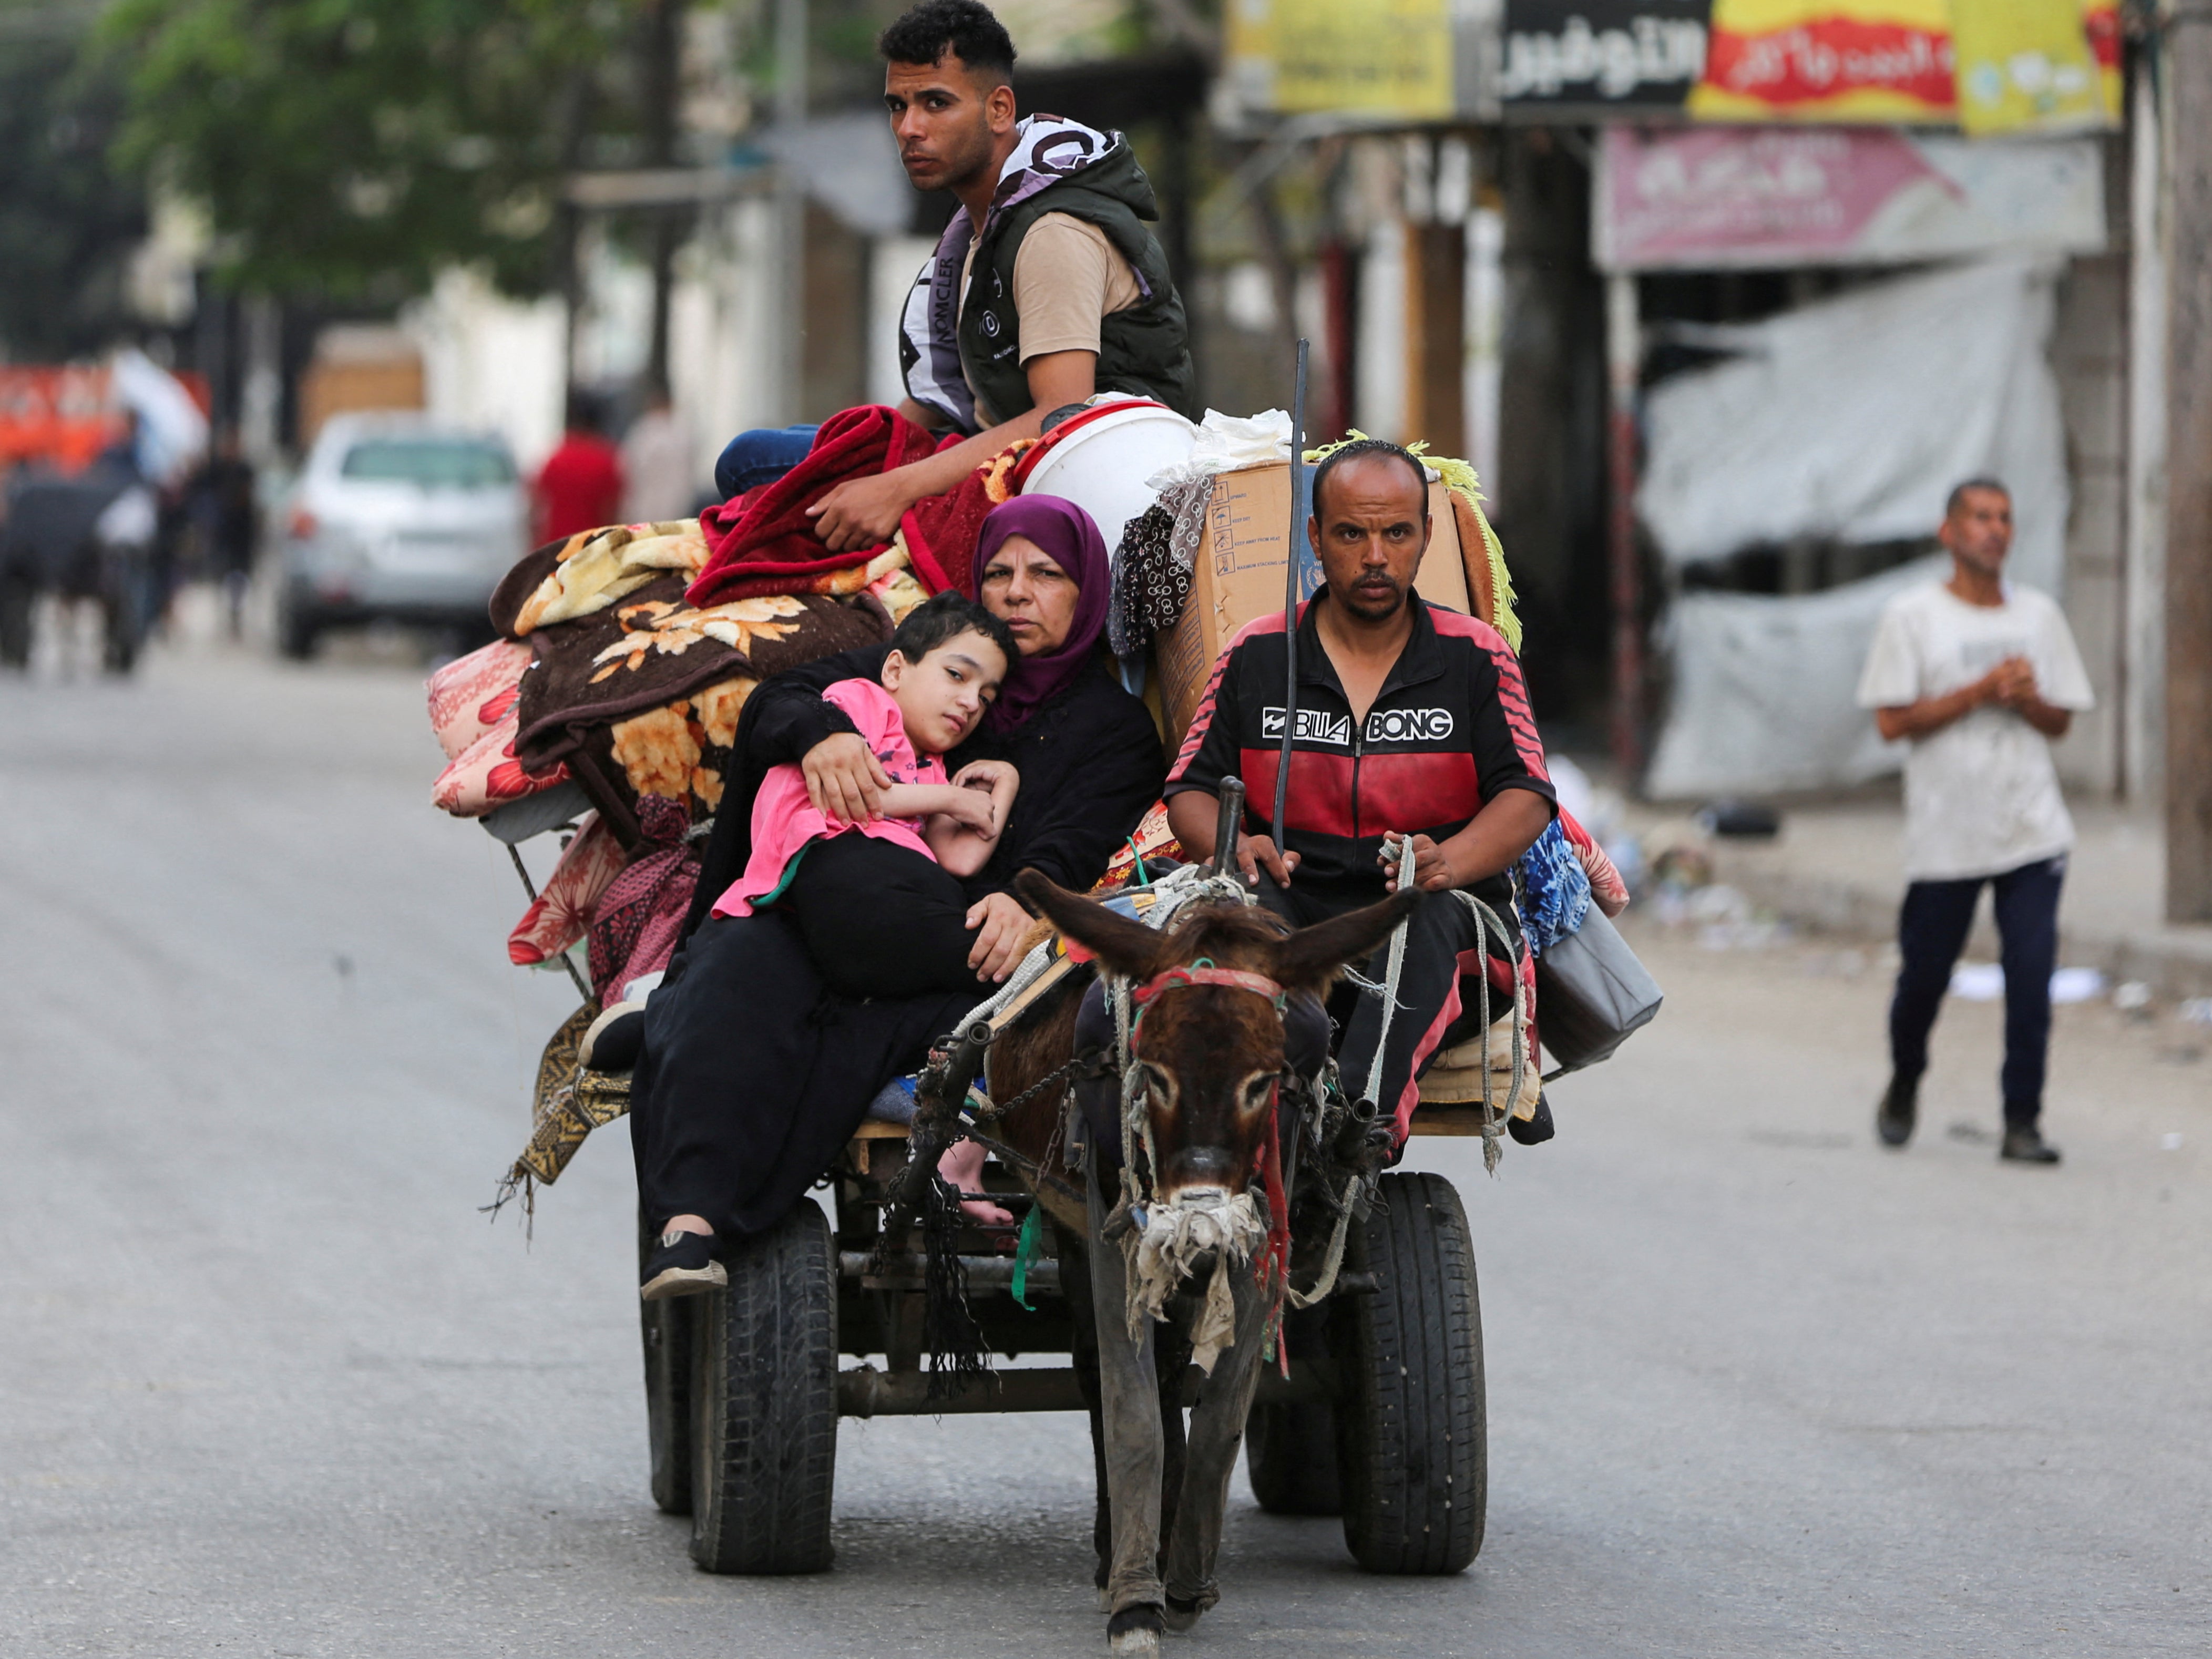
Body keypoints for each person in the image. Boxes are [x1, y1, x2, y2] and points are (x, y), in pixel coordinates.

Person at [628, 495, 1162, 1288]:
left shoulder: (1112, 728)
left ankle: (754, 1149)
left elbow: (1074, 839)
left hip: (955, 942)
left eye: (1047, 574)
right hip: (827, 903)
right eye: (999, 572)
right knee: (735, 976)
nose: (1017, 591)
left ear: (1087, 593)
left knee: (988, 1010)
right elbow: (786, 700)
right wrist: (826, 737)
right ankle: (689, 1227)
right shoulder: (937, 659)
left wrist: (1023, 897)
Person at [1150, 440, 1558, 1148]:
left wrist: (1452, 861)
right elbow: (1189, 788)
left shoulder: (1477, 657)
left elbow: (1526, 794)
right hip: (1294, 908)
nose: (1375, 555)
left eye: (1396, 533)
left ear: (1425, 537)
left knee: (1423, 917)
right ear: (1315, 538)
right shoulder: (1256, 653)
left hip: (1444, 927)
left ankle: (1360, 1123)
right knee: (1231, 915)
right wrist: (1233, 843)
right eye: (1351, 533)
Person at [710, 0, 1199, 541]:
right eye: (898, 106)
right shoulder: (981, 224)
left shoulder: (1051, 233)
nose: (909, 128)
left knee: (751, 462)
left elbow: (1061, 413)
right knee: (796, 455)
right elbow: (932, 401)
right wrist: (866, 462)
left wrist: (897, 488)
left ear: (998, 110)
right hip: (992, 452)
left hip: (1071, 485)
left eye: (935, 103)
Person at [1857, 478, 2095, 1165]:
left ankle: (2023, 1120)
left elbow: (2061, 722)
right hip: (1946, 835)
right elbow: (1891, 721)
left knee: (2030, 976)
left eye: (2005, 518)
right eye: (1981, 517)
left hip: (2031, 829)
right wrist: (1976, 693)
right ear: (1950, 533)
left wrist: (2026, 699)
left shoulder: (2040, 617)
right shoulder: (1914, 616)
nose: (1995, 529)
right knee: (1924, 981)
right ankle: (1905, 1079)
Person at [186, 426, 258, 638]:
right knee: (222, 576)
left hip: (241, 535)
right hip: (223, 533)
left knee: (239, 578)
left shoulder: (245, 470)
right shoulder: (217, 470)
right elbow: (198, 489)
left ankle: (236, 616)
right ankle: (227, 616)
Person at [534, 391, 624, 545]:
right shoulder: (606, 460)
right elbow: (612, 511)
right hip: (592, 548)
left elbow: (537, 505)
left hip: (555, 546)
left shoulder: (558, 457)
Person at [620, 382, 696, 523]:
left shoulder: (643, 432)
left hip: (646, 501)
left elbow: (627, 467)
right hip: (673, 502)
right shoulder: (680, 434)